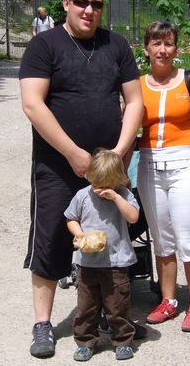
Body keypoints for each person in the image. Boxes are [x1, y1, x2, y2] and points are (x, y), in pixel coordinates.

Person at [18, 0, 143, 358]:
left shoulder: (116, 45)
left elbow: (135, 102)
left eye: (97, 4)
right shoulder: (44, 45)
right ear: (66, 4)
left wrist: (121, 150)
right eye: (82, 2)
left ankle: (109, 311)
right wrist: (73, 152)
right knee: (53, 237)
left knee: (118, 234)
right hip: (58, 165)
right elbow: (32, 104)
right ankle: (43, 324)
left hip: (109, 166)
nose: (90, 10)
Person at [136, 21, 190, 332]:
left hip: (186, 165)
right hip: (149, 164)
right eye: (156, 44)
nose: (162, 50)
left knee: (187, 240)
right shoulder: (137, 83)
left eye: (168, 44)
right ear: (146, 49)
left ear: (176, 48)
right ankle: (169, 301)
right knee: (162, 240)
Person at [65, 148, 139, 361]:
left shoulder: (123, 195)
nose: (99, 190)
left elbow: (133, 217)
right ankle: (85, 341)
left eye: (105, 185)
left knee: (118, 305)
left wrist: (116, 196)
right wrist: (79, 235)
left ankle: (123, 340)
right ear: (89, 177)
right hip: (87, 262)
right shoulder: (82, 196)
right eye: (96, 184)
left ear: (118, 180)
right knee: (87, 307)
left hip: (116, 262)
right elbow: (71, 218)